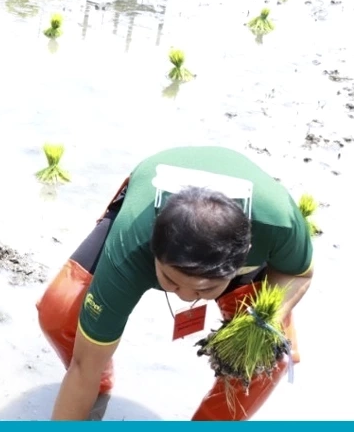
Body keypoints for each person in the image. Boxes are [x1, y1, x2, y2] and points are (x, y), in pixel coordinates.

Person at [36, 146, 314, 421]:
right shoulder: (132, 243)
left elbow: (300, 273)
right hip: (145, 222)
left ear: (246, 255)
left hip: (246, 239)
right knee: (60, 311)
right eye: (171, 280)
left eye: (204, 289)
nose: (185, 297)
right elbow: (83, 368)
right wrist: (89, 377)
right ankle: (100, 387)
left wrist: (263, 322)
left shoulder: (279, 223)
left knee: (264, 357)